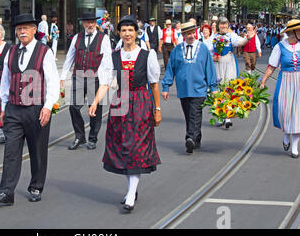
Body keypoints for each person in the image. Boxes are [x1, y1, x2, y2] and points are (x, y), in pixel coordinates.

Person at [88, 16, 162, 212]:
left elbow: (154, 84)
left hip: (140, 103)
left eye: (131, 30)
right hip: (120, 103)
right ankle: (131, 189)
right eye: (124, 30)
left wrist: (157, 109)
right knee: (125, 146)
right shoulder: (113, 56)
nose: (127, 34)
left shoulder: (147, 55)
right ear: (119, 33)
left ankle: (130, 194)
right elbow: (105, 83)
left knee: (136, 147)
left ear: (137, 33)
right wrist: (95, 102)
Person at [0, 13, 59, 205]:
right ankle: (6, 192)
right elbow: (5, 80)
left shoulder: (44, 52)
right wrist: (4, 106)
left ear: (34, 30)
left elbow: (53, 81)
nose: (22, 32)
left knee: (37, 150)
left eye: (26, 28)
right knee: (11, 151)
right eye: (19, 29)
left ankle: (36, 185)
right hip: (13, 109)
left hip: (36, 109)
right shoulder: (11, 52)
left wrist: (47, 106)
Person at [162, 22, 218, 154]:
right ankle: (196, 137)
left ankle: (190, 138)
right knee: (189, 115)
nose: (191, 36)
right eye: (188, 33)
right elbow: (170, 68)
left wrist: (213, 87)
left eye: (193, 33)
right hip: (183, 89)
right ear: (183, 35)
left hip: (199, 88)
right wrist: (166, 86)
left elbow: (209, 68)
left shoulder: (203, 48)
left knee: (195, 113)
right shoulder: (176, 50)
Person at [60, 11, 113, 150]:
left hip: (95, 77)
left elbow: (107, 60)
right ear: (83, 23)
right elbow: (70, 57)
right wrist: (62, 76)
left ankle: (93, 138)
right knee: (73, 107)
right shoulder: (77, 37)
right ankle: (79, 136)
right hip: (78, 76)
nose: (90, 24)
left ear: (96, 23)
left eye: (92, 22)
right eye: (87, 22)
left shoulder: (104, 38)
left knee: (94, 108)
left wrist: (106, 79)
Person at [260, 19, 300, 159]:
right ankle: (286, 135)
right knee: (285, 110)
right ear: (293, 32)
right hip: (286, 81)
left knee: (298, 113)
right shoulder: (280, 46)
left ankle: (295, 146)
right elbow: (272, 66)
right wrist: (263, 81)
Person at [211, 17, 250, 129]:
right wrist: (213, 57)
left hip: (229, 62)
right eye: (222, 24)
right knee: (218, 89)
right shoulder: (214, 37)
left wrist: (248, 38)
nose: (224, 26)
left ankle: (228, 116)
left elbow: (239, 42)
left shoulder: (231, 35)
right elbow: (208, 50)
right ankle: (219, 115)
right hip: (217, 64)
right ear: (218, 25)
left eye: (225, 24)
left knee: (228, 88)